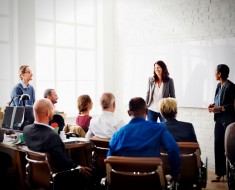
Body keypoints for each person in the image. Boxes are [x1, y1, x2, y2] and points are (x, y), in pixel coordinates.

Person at [23, 98, 91, 189]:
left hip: (40, 177)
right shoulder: (52, 136)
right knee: (93, 173)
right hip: (60, 178)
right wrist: (78, 167)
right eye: (52, 109)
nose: (54, 112)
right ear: (47, 112)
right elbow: (64, 163)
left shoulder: (27, 130)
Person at [108, 97, 180, 180]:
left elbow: (110, 159)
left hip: (125, 182)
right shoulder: (159, 129)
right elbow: (173, 149)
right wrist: (175, 174)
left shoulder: (118, 134)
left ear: (128, 112)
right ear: (146, 111)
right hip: (151, 181)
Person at [208, 64, 235, 182]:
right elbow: (218, 101)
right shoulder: (219, 85)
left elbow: (233, 105)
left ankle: (231, 175)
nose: (214, 74)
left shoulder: (231, 86)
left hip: (229, 121)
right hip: (219, 120)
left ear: (219, 73)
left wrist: (219, 108)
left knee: (229, 148)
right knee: (218, 145)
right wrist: (213, 105)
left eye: (215, 72)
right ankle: (220, 173)